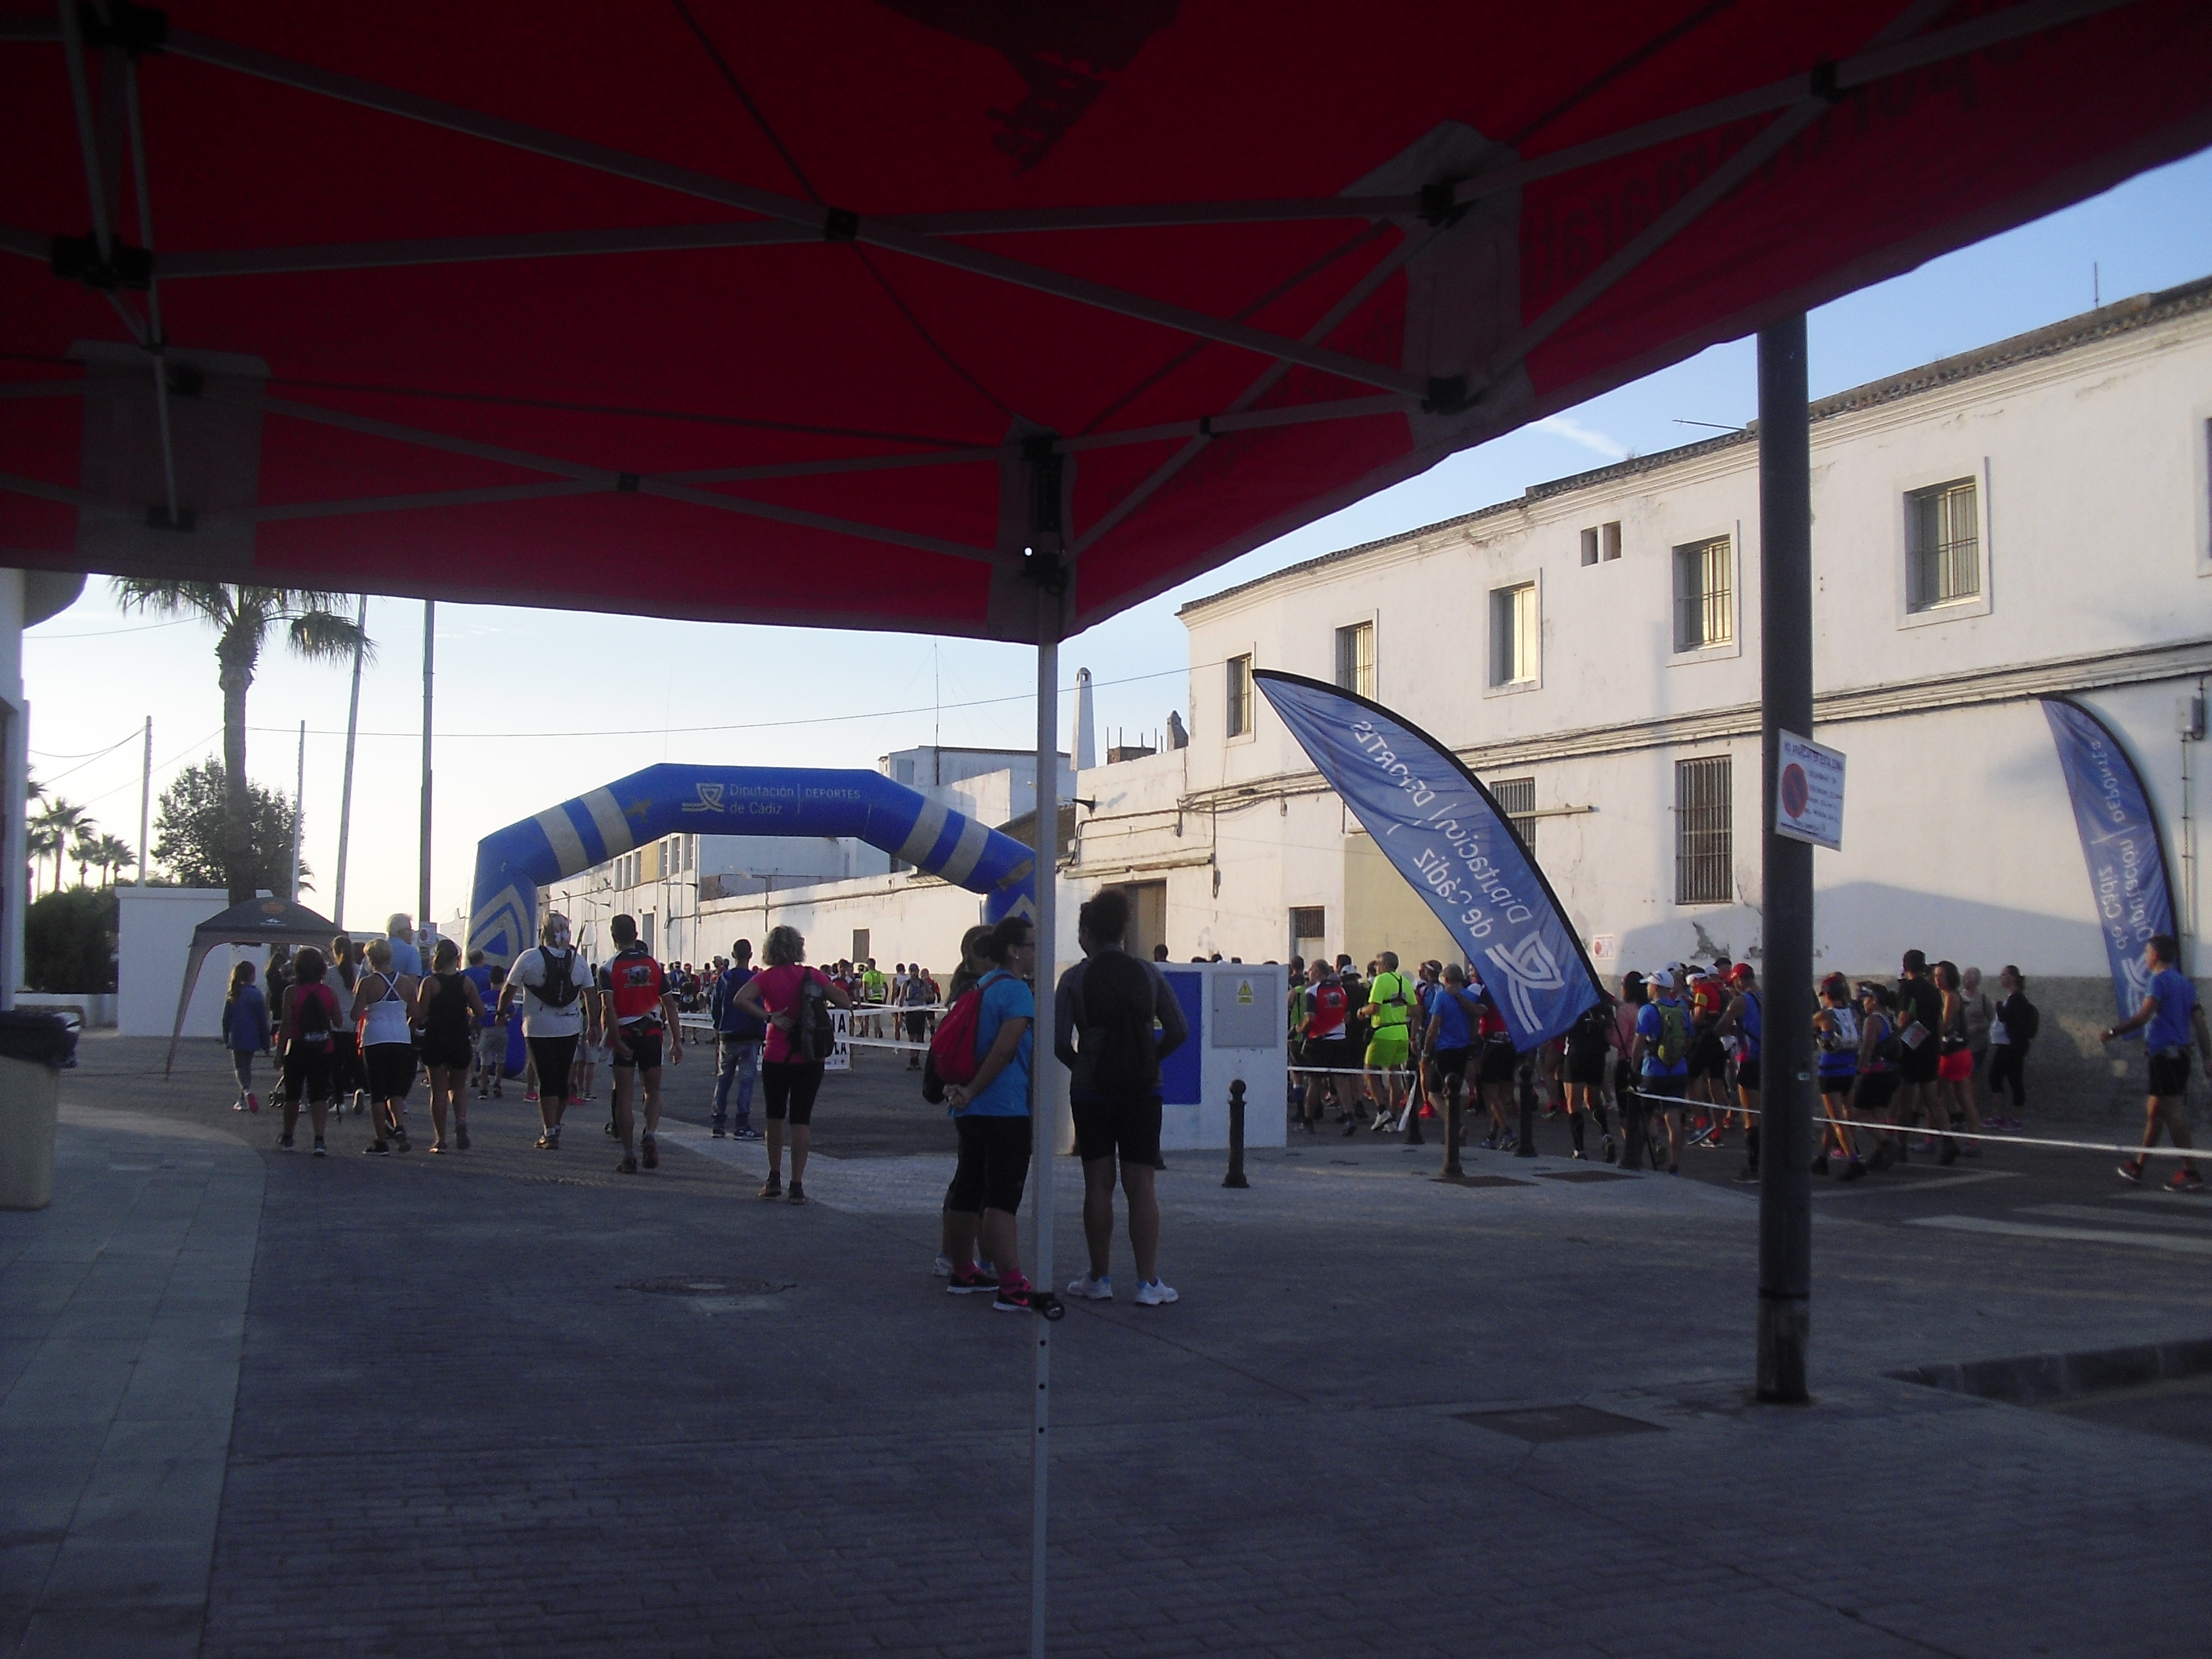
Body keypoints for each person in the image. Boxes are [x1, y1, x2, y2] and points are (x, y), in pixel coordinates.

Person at [1056, 889, 1190, 1307]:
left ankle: (1100, 1277)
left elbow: (1059, 1041)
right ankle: (1148, 1283)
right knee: (1141, 1184)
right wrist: (1147, 1059)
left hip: (1091, 1091)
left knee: (1098, 1183)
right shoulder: (1148, 973)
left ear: (1087, 933)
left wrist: (1084, 1065)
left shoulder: (1074, 979)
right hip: (1142, 1090)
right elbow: (1179, 1030)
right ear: (1123, 930)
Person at [942, 916, 1042, 1312]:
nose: (1036, 952)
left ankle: (962, 1270)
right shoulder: (1016, 992)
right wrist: (973, 1090)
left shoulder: (980, 986)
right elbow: (1004, 1051)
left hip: (971, 1112)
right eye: (1032, 945)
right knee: (1002, 1198)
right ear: (1015, 951)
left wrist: (964, 1092)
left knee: (968, 1188)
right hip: (1005, 1108)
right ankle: (1012, 1285)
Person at [735, 925, 853, 1204]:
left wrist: (769, 1016)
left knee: (774, 1117)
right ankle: (797, 1185)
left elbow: (741, 999)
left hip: (777, 1053)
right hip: (810, 1056)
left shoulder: (766, 978)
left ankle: (773, 1177)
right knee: (801, 1119)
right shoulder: (813, 975)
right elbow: (844, 1001)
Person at [2101, 933, 2211, 1191]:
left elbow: (2144, 1015)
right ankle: (2138, 1166)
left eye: (2147, 952)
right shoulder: (2185, 984)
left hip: (2165, 1058)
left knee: (2173, 1114)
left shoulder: (2158, 981)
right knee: (2155, 1112)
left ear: (2155, 955)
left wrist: (2114, 1031)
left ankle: (2191, 1173)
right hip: (2180, 1056)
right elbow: (2200, 1022)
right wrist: (2207, 1056)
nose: (2145, 956)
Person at [497, 913, 595, 1151]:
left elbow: (509, 989)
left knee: (546, 1077)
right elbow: (591, 994)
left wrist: (502, 1013)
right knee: (562, 1078)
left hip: (538, 1027)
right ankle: (556, 1125)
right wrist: (594, 1024)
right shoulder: (578, 961)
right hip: (570, 1026)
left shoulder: (530, 958)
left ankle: (549, 1130)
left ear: (543, 932)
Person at [603, 913, 682, 1175]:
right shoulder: (654, 965)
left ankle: (629, 1155)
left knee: (624, 1095)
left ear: (613, 936)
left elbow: (608, 1008)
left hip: (625, 1031)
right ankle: (650, 1134)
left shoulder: (608, 967)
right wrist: (677, 1041)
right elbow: (670, 1005)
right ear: (636, 935)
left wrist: (614, 1038)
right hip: (652, 1033)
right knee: (653, 1091)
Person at [415, 937, 486, 1153]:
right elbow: (480, 1011)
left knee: (438, 1091)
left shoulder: (430, 983)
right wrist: (469, 1015)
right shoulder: (466, 983)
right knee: (458, 1087)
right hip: (459, 1038)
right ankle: (461, 1121)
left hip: (436, 1038)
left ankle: (441, 1140)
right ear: (457, 958)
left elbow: (420, 1014)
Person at [351, 937, 418, 1153]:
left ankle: (381, 1141)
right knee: (396, 1089)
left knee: (377, 1092)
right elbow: (415, 1012)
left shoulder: (367, 983)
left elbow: (355, 1015)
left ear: (370, 959)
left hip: (375, 1038)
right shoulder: (406, 983)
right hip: (401, 1038)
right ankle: (399, 1126)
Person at [276, 946, 343, 1157]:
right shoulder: (329, 993)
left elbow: (286, 1024)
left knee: (293, 1094)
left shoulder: (291, 992)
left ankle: (288, 1137)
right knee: (318, 1094)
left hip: (298, 1047)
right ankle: (319, 1140)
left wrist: (279, 1053)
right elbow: (339, 1022)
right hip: (323, 1048)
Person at [1894, 949, 1955, 1164]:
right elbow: (1938, 1022)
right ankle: (1948, 1140)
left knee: (1906, 1099)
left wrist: (1896, 1035)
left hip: (1911, 1048)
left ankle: (1901, 1145)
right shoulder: (1933, 991)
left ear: (1906, 967)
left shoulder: (1907, 988)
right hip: (1930, 1046)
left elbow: (1904, 1017)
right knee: (1932, 1098)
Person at [1423, 962, 1487, 1155]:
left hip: (1445, 1049)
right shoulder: (1471, 997)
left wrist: (1426, 1050)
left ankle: (1455, 1126)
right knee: (1454, 1092)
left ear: (1447, 979)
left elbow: (1434, 1026)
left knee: (1434, 1094)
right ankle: (1454, 1132)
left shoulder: (1442, 997)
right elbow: (1475, 1022)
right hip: (1463, 1048)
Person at [1634, 968, 1692, 1173]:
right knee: (1674, 1118)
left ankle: (1637, 1158)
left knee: (1645, 1115)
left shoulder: (1648, 1010)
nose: (1648, 989)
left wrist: (1633, 1067)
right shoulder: (1682, 1008)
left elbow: (1639, 1042)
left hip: (1653, 1070)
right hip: (1678, 1070)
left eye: (1649, 985)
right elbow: (1690, 1038)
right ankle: (1675, 1165)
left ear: (1656, 987)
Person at [1809, 973, 1865, 1179]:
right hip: (1849, 1069)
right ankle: (1822, 1158)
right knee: (1837, 1117)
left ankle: (1854, 1161)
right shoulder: (1853, 1013)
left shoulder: (1824, 1016)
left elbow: (1805, 1030)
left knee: (1837, 1119)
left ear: (1828, 995)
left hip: (1830, 1070)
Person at [708, 939, 765, 1140]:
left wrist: (719, 1026)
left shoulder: (724, 978)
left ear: (733, 955)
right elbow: (758, 1008)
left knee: (724, 1079)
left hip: (727, 1034)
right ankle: (742, 1124)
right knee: (746, 1081)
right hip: (749, 1035)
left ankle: (718, 1123)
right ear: (751, 955)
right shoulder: (754, 980)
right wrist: (761, 1033)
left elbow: (715, 1005)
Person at [1712, 962, 1763, 1182]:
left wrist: (1734, 1027)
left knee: (1751, 1117)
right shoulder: (1768, 996)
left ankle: (1755, 1166)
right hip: (1770, 1060)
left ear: (1740, 981)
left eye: (1734, 983)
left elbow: (1720, 1028)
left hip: (1749, 1060)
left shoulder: (1741, 1001)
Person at [1934, 960, 1983, 1155]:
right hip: (1961, 1053)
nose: (1938, 980)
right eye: (1936, 976)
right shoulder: (1951, 996)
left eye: (1941, 976)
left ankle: (1937, 1139)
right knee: (1963, 1098)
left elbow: (1944, 1025)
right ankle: (1973, 1141)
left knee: (1934, 1097)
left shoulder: (1951, 997)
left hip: (1952, 1054)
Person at [1360, 951, 1414, 1131]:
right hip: (1402, 1032)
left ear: (1385, 965)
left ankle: (1382, 1111)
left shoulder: (1381, 980)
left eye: (1378, 964)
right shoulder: (1405, 982)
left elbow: (1374, 1008)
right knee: (1394, 1073)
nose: (1376, 967)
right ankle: (1392, 1118)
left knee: (1370, 1071)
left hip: (1384, 1031)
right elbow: (1416, 1010)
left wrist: (1362, 1011)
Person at [1986, 965, 2036, 1129]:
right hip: (2006, 1045)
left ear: (2013, 977)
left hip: (2012, 1047)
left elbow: (2007, 1018)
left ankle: (2015, 1119)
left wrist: (1999, 1007)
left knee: (2013, 1080)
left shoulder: (2017, 999)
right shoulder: (2013, 998)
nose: (2001, 978)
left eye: (2004, 975)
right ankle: (1999, 1116)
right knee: (1996, 1077)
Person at [223, 960, 271, 1113]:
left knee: (239, 1068)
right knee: (247, 1067)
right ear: (252, 976)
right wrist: (266, 1042)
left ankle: (246, 1092)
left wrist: (226, 1036)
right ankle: (243, 1098)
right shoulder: (257, 995)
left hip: (237, 1036)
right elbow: (263, 1021)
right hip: (253, 1037)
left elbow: (226, 1019)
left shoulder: (233, 994)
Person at [329, 935, 366, 1115]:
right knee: (355, 1061)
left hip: (336, 1023)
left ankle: (339, 1101)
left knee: (336, 1064)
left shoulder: (330, 973)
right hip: (356, 1023)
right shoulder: (359, 971)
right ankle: (359, 1088)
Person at [476, 965, 510, 1099]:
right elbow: (512, 1012)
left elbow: (478, 1013)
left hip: (487, 1030)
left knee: (485, 1060)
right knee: (501, 1058)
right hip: (501, 1029)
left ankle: (483, 1086)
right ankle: (497, 1083)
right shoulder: (504, 996)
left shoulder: (484, 996)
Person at [899, 962, 935, 1069]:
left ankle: (917, 1059)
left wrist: (926, 997)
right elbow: (901, 998)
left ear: (918, 971)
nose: (913, 973)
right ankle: (912, 1059)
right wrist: (900, 1013)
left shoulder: (923, 983)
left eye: (915, 971)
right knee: (911, 1037)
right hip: (910, 1012)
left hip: (920, 1012)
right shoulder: (906, 983)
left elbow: (932, 995)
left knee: (920, 1037)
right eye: (911, 971)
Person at [384, 913, 424, 979]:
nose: (411, 933)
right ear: (400, 931)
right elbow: (413, 980)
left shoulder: (376, 949)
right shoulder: (412, 952)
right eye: (409, 930)